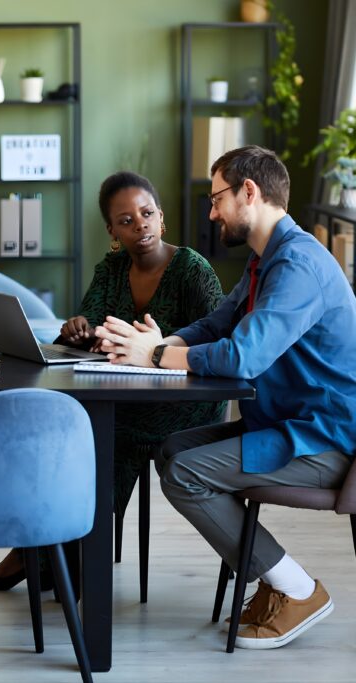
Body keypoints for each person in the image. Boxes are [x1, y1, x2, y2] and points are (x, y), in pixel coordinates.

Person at [95, 145, 356, 649]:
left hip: (323, 439)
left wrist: (155, 356)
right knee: (172, 450)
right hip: (285, 425)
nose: (212, 213)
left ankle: (298, 589)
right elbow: (217, 324)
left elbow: (242, 356)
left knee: (185, 473)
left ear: (249, 192)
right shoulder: (266, 260)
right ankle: (273, 581)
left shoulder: (298, 265)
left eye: (217, 199)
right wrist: (157, 345)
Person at [0, 171, 226, 591]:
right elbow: (89, 323)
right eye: (126, 220)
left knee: (96, 435)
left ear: (161, 217)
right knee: (54, 427)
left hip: (185, 401)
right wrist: (78, 331)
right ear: (112, 231)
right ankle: (48, 550)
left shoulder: (192, 270)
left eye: (146, 214)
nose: (139, 224)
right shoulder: (111, 269)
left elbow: (217, 339)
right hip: (122, 392)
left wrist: (160, 353)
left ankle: (62, 556)